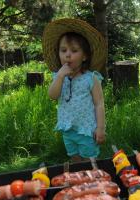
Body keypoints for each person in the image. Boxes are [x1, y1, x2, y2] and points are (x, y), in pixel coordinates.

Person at [43, 18, 108, 162]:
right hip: (68, 129)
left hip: (86, 130)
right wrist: (60, 76)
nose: (67, 55)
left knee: (90, 162)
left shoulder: (91, 78)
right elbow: (52, 96)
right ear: (58, 53)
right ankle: (80, 182)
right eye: (63, 50)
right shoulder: (59, 76)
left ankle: (93, 181)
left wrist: (101, 128)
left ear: (84, 56)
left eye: (74, 51)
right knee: (75, 161)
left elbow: (99, 104)